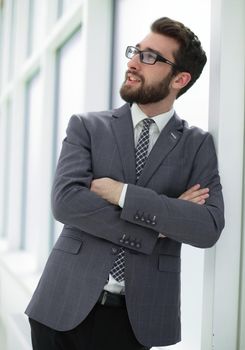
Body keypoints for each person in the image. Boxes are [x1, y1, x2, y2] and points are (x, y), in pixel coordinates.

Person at [25, 16, 224, 350]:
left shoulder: (196, 145)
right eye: (136, 51)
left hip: (137, 322)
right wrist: (160, 225)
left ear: (180, 78)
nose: (133, 63)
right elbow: (66, 202)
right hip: (60, 306)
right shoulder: (87, 127)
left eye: (150, 57)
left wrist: (122, 193)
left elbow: (207, 226)